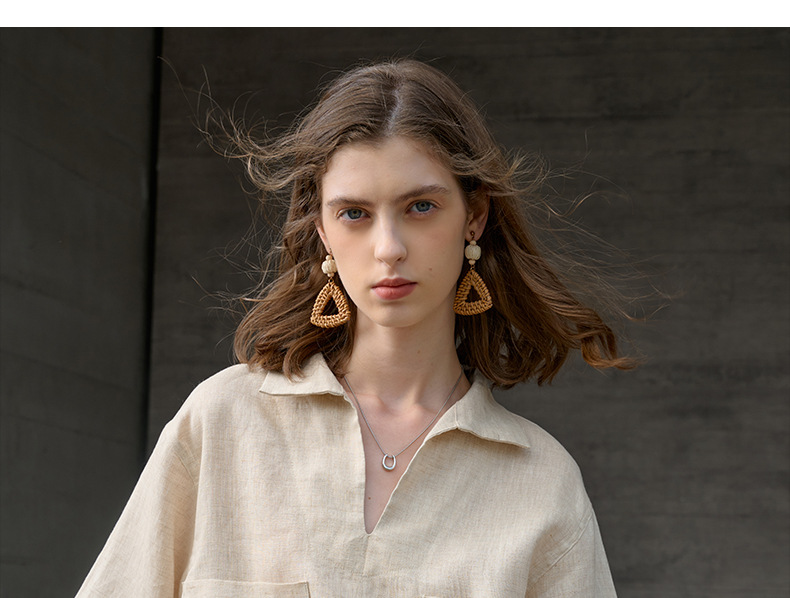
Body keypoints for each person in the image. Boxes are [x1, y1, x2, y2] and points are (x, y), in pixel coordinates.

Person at [77, 59, 635, 597]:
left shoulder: (542, 483)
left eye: (420, 207)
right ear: (322, 229)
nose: (388, 248)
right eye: (354, 213)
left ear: (475, 215)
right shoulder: (222, 422)